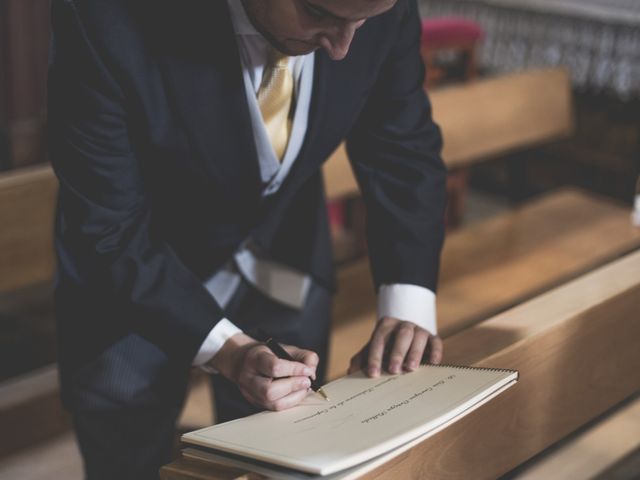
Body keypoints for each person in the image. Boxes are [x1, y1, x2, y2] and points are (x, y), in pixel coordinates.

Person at [48, 0, 446, 478]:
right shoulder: (104, 17)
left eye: (361, 21)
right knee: (126, 454)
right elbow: (106, 224)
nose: (342, 47)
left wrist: (407, 304)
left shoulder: (379, 9)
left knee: (284, 462)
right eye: (321, 14)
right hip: (132, 275)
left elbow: (402, 149)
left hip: (285, 259)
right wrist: (227, 350)